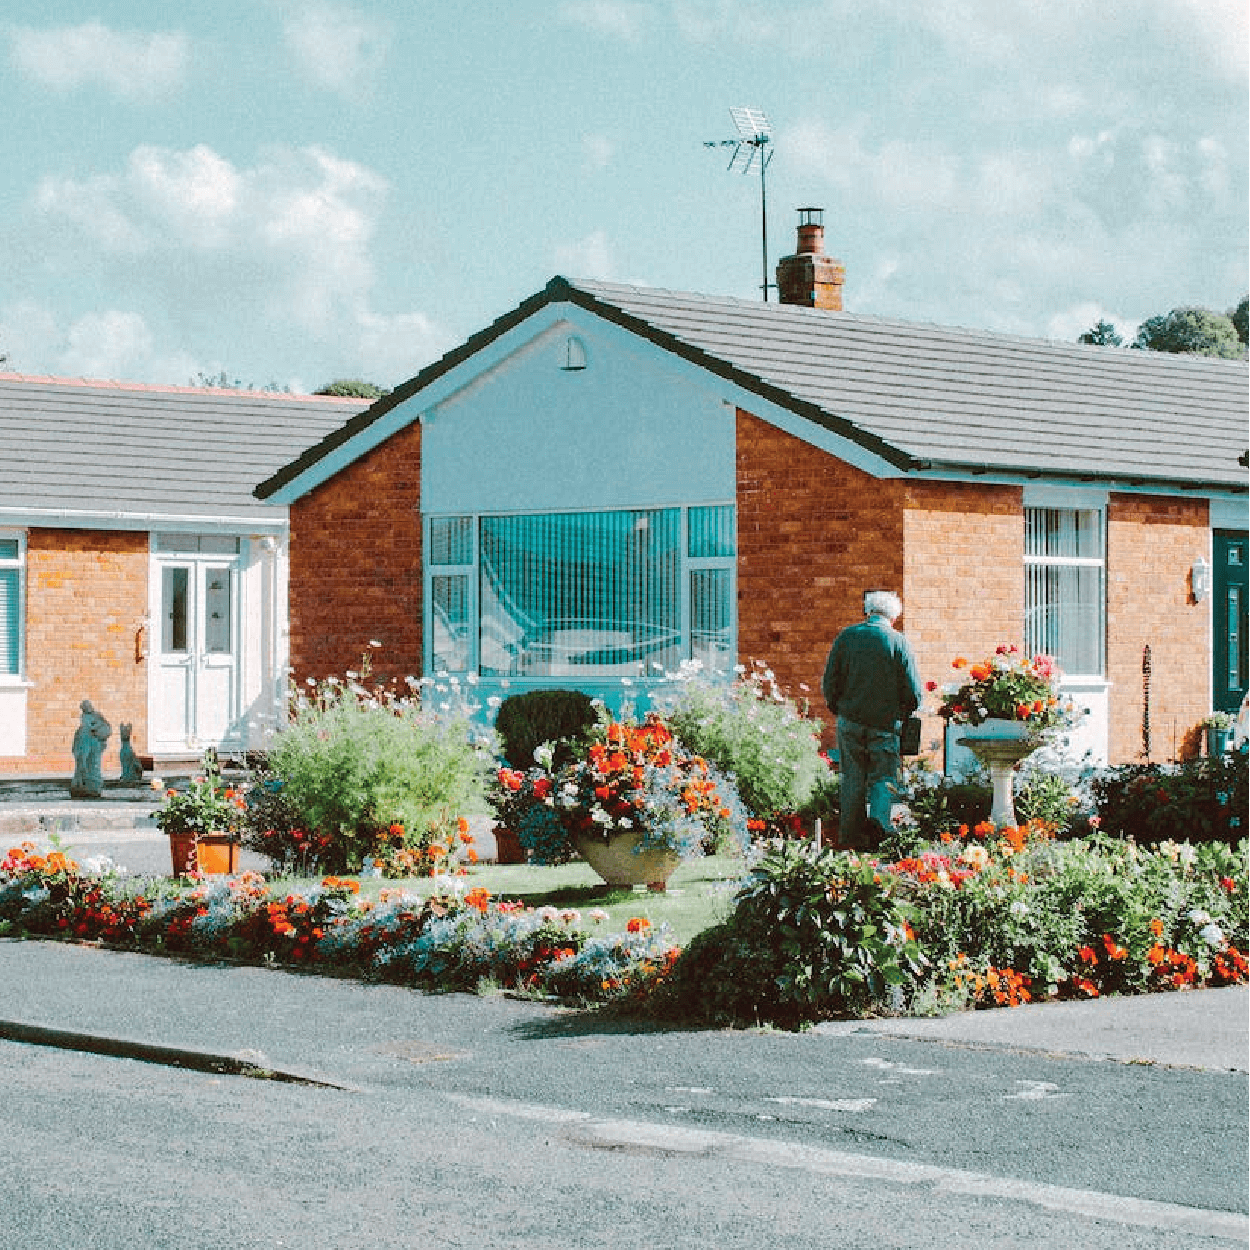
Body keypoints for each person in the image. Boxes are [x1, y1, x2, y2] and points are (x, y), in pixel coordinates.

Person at [821, 590, 922, 849]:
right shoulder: (898, 642)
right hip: (885, 724)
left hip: (850, 721)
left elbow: (830, 681)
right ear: (894, 616)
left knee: (852, 778)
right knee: (883, 777)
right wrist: (905, 712)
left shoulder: (847, 637)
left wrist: (839, 708)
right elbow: (914, 691)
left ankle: (851, 839)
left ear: (868, 611)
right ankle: (878, 827)